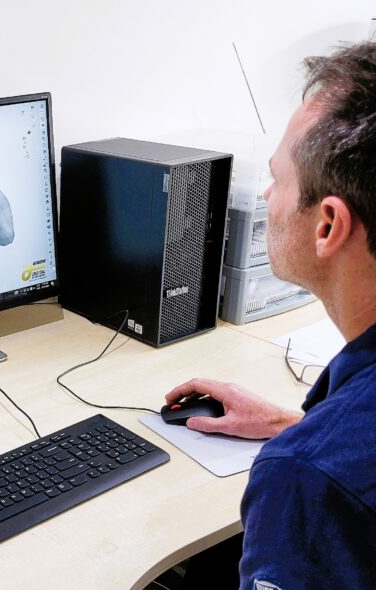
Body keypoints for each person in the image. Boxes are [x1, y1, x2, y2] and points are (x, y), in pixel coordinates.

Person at [164, 41, 376, 590]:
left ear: (328, 225)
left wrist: (308, 450)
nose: (265, 195)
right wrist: (296, 427)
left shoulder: (306, 482)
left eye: (279, 179)